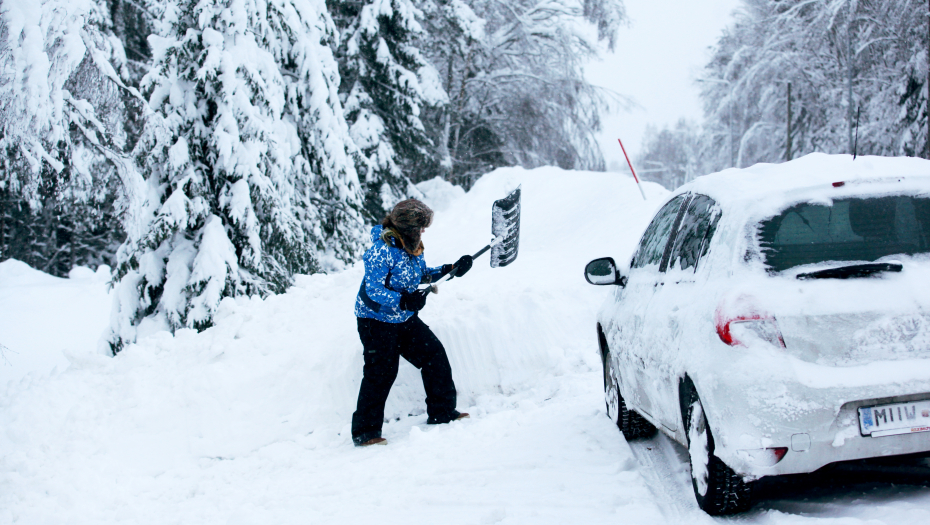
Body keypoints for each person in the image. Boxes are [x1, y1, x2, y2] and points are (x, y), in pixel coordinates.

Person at [352, 199, 474, 447]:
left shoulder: (413, 247)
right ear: (408, 227)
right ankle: (365, 432)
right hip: (375, 321)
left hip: (403, 319)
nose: (424, 231)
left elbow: (420, 275)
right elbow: (373, 289)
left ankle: (442, 412)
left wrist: (451, 269)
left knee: (434, 355)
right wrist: (402, 301)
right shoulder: (381, 250)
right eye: (420, 226)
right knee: (381, 373)